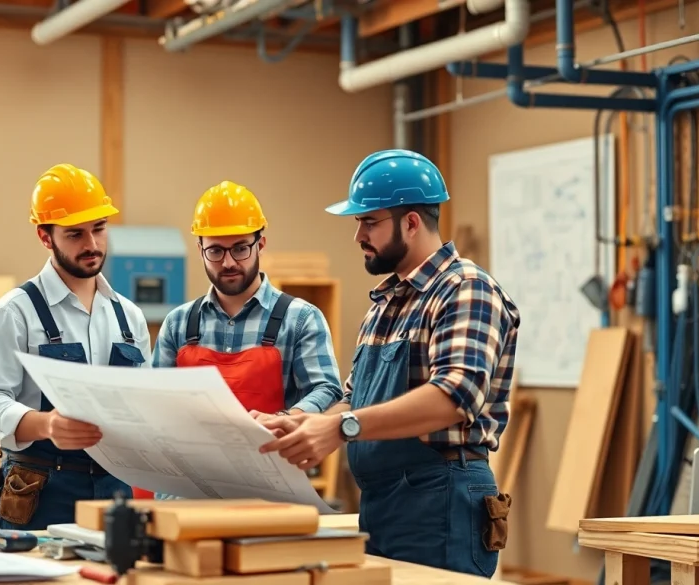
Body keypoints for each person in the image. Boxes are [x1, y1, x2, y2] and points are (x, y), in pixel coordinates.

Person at [256, 150, 520, 578]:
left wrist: (342, 428)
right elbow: (353, 397)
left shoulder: (465, 289)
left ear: (411, 222)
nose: (358, 235)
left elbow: (455, 397)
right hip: (383, 504)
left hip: (442, 502)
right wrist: (305, 423)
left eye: (369, 222)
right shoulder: (384, 305)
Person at [0, 163, 152, 530]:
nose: (91, 244)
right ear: (45, 236)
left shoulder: (129, 318)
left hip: (115, 489)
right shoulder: (16, 312)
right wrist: (46, 424)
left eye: (99, 229)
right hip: (39, 491)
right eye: (74, 234)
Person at [147, 180, 345, 499]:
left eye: (240, 247)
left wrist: (284, 420)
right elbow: (156, 409)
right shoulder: (179, 324)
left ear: (260, 243)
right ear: (200, 249)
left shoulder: (301, 318)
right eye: (215, 250)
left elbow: (328, 389)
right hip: (187, 499)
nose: (228, 262)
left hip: (271, 496)